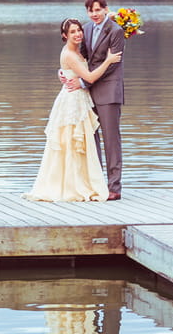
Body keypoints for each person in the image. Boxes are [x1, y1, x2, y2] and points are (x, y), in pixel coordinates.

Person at [24, 18, 122, 202]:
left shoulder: (77, 51)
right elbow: (90, 77)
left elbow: (74, 68)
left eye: (79, 30)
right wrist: (109, 60)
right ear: (64, 36)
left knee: (79, 144)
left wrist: (63, 71)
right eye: (72, 32)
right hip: (73, 101)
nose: (78, 34)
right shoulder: (69, 54)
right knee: (71, 144)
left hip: (81, 99)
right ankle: (72, 185)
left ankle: (81, 182)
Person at [65, 0, 125, 200]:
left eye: (98, 9)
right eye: (91, 10)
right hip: (88, 94)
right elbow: (79, 57)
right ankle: (96, 184)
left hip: (108, 92)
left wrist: (83, 82)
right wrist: (65, 71)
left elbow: (112, 64)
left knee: (111, 141)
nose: (95, 14)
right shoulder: (86, 29)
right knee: (91, 139)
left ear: (106, 9)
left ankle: (114, 187)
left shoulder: (116, 31)